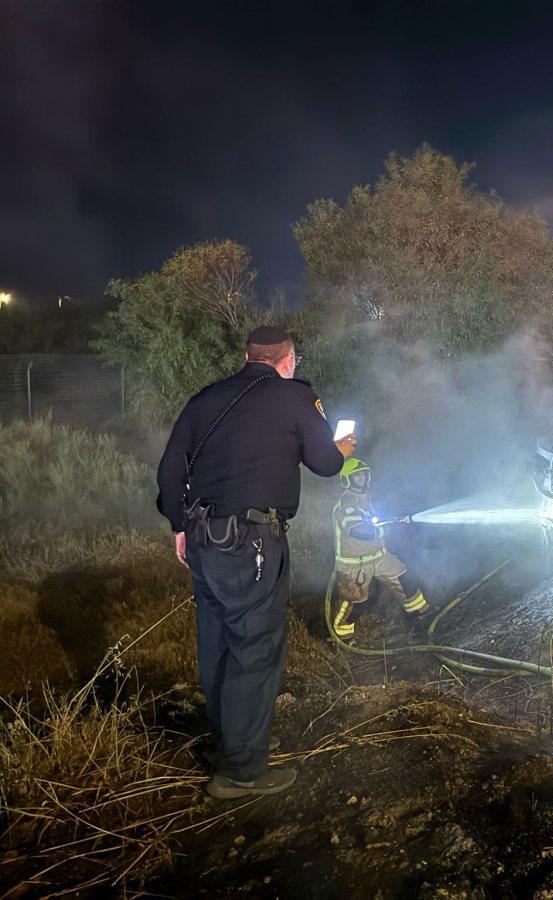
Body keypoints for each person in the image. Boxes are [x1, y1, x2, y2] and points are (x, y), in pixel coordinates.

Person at [156, 325, 356, 799]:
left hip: (204, 540)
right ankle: (242, 770)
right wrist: (344, 448)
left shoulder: (207, 398)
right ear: (288, 361)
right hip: (252, 543)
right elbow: (326, 464)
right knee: (255, 648)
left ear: (249, 356)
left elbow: (170, 467)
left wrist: (179, 527)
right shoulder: (294, 398)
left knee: (219, 642)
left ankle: (231, 743)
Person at [330, 457, 428, 639]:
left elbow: (372, 520)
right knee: (356, 605)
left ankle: (419, 618)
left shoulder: (365, 499)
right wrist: (383, 531)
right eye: (357, 476)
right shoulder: (348, 503)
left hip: (379, 557)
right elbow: (358, 531)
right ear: (347, 480)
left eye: (363, 475)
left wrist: (388, 520)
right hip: (355, 565)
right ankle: (341, 638)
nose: (362, 479)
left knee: (406, 581)